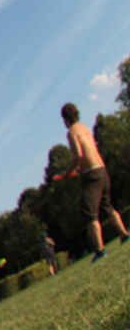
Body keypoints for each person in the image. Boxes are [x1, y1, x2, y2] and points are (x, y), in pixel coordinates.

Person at [58, 103, 128, 262]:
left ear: (66, 119)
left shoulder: (71, 133)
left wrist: (68, 172)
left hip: (92, 175)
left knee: (90, 213)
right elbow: (88, 152)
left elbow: (79, 155)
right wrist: (78, 170)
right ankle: (124, 235)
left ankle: (100, 250)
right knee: (107, 206)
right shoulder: (84, 128)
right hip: (102, 169)